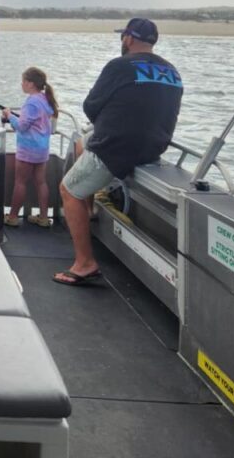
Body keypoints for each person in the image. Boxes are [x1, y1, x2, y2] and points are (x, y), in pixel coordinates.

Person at [55, 18, 182, 286]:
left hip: (117, 147)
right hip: (153, 148)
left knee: (68, 189)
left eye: (123, 36)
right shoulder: (172, 71)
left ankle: (85, 264)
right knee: (81, 144)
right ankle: (89, 212)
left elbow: (91, 106)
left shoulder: (119, 66)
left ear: (129, 38)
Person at [1, 67, 58, 228]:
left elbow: (22, 126)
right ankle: (44, 218)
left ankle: (12, 217)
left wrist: (9, 115)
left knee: (20, 182)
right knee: (41, 182)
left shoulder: (31, 102)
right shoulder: (45, 99)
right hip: (42, 149)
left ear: (31, 83)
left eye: (24, 81)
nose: (22, 84)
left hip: (28, 149)